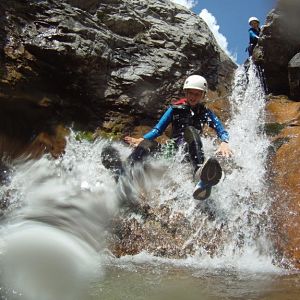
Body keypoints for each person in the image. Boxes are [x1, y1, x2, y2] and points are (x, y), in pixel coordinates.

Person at [120, 75, 233, 200]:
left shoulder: (205, 112)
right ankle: (126, 174)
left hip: (189, 153)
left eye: (197, 94)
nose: (193, 97)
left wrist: (224, 142)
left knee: (190, 130)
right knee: (146, 144)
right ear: (185, 92)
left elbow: (220, 129)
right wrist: (142, 139)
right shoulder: (175, 109)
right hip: (172, 150)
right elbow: (158, 130)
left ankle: (199, 173)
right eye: (190, 93)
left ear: (203, 95)